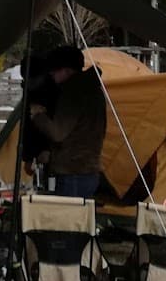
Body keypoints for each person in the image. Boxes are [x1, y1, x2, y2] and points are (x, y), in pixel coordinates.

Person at [27, 44, 107, 199]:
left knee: (65, 221)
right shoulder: (92, 89)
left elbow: (58, 133)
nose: (51, 74)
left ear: (67, 70)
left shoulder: (73, 91)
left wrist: (38, 115)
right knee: (77, 221)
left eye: (54, 70)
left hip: (73, 172)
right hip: (88, 170)